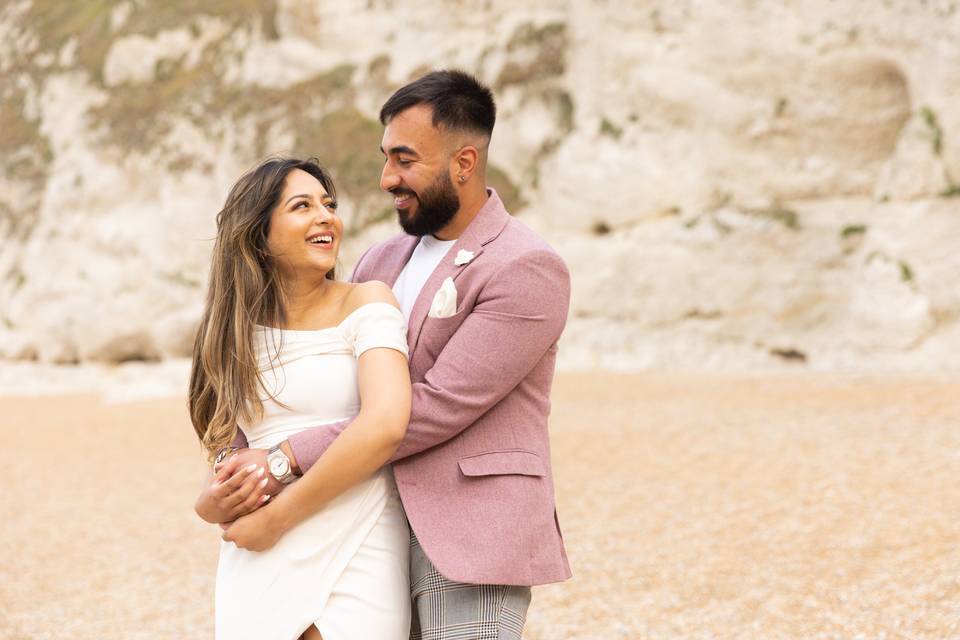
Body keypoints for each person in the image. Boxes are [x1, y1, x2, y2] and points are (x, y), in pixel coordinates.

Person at [215, 69, 572, 639]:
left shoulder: (526, 267)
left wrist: (284, 459)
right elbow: (328, 369)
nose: (387, 179)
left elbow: (435, 404)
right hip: (366, 525)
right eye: (386, 158)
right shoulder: (380, 262)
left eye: (405, 160)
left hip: (469, 533)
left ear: (464, 162)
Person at [189, 157, 413, 639]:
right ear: (259, 234)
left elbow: (386, 424)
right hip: (261, 550)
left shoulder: (368, 302)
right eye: (302, 206)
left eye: (329, 205)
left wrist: (280, 515)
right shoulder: (232, 334)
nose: (326, 217)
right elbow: (225, 456)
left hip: (360, 530)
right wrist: (212, 503)